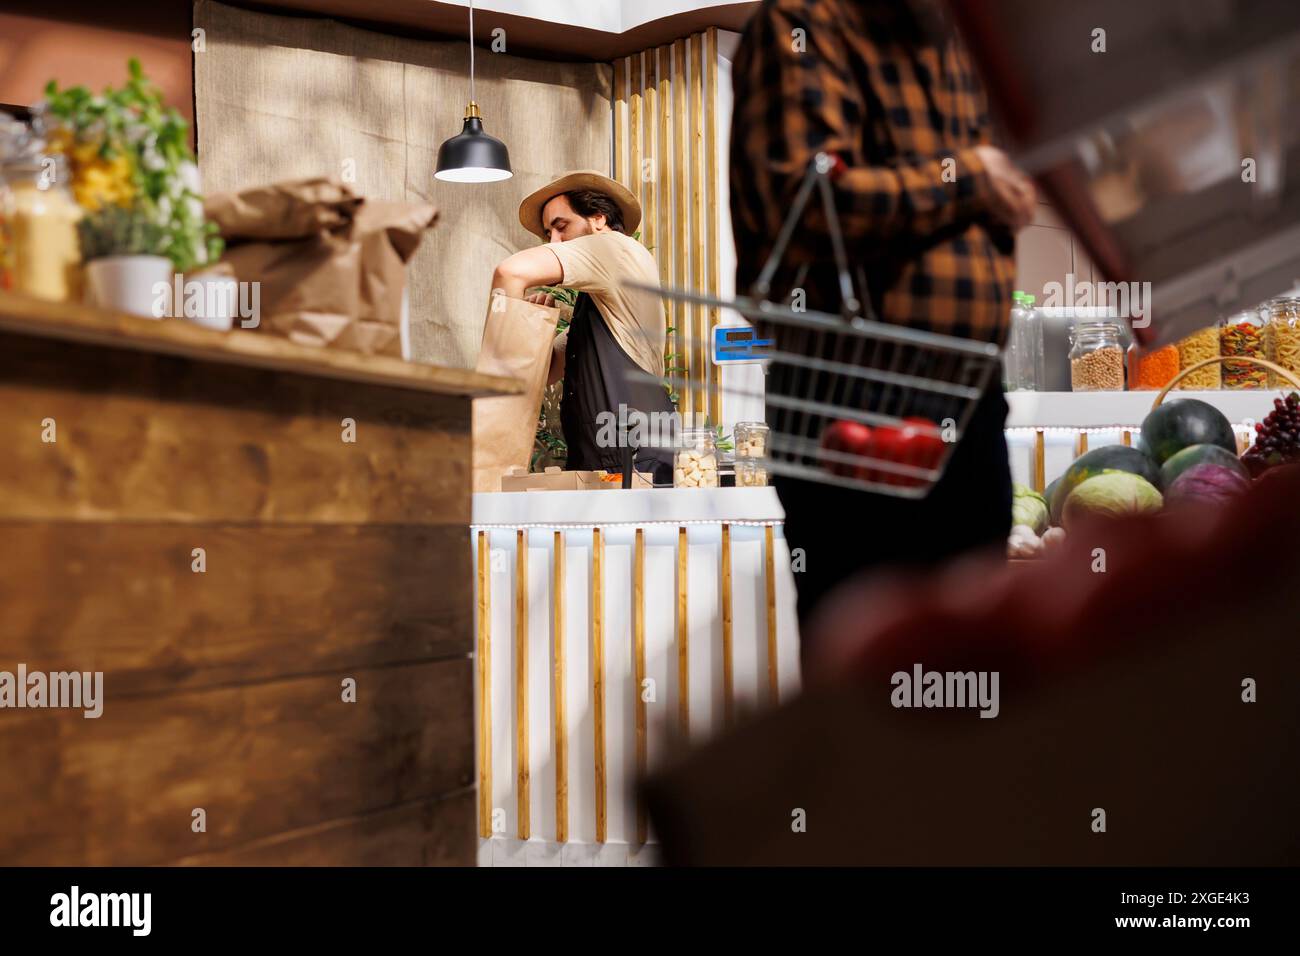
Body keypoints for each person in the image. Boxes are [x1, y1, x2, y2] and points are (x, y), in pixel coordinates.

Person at [729, 0, 1039, 649]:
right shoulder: (803, 22)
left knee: (980, 666)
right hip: (852, 393)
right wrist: (970, 181)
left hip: (972, 398)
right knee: (872, 666)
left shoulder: (955, 41)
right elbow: (801, 203)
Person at [490, 171, 676, 481]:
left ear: (599, 219)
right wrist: (531, 331)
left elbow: (509, 272)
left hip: (635, 460)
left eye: (561, 227)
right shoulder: (601, 304)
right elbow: (546, 373)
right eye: (548, 233)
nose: (554, 241)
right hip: (605, 459)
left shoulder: (616, 249)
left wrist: (498, 354)